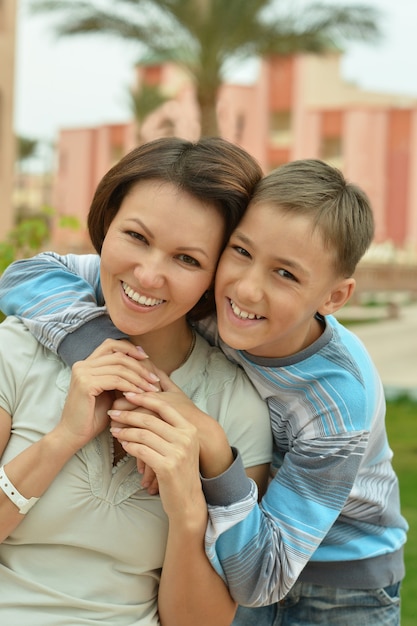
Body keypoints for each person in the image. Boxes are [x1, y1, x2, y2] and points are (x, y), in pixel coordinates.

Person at [0, 158, 408, 626]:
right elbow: (27, 276)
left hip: (337, 577)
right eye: (240, 251)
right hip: (238, 538)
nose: (248, 288)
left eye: (286, 274)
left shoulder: (336, 402)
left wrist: (214, 450)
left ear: (333, 297)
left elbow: (262, 578)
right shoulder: (203, 296)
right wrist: (125, 375)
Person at [0, 136, 273, 626]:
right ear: (106, 226)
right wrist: (61, 441)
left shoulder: (235, 408)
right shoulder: (16, 350)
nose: (148, 276)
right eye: (136, 237)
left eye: (187, 259)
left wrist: (187, 497)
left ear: (218, 275)